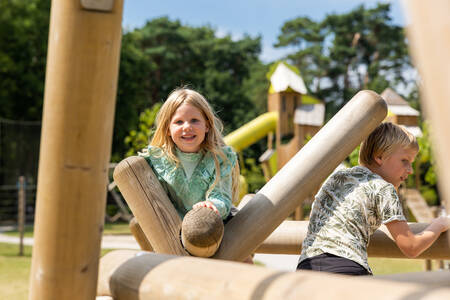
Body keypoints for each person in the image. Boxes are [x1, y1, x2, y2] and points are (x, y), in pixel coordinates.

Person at [297, 122, 450, 275]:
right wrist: (439, 224)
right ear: (379, 156)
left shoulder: (337, 177)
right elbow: (411, 246)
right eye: (405, 161)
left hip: (305, 268)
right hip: (346, 269)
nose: (410, 170)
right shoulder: (383, 188)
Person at [139, 87, 240, 223]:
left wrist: (211, 206)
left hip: (214, 227)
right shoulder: (157, 160)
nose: (187, 127)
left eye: (194, 120)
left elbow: (221, 197)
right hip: (175, 231)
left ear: (207, 125)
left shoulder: (219, 158)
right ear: (168, 129)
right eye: (179, 122)